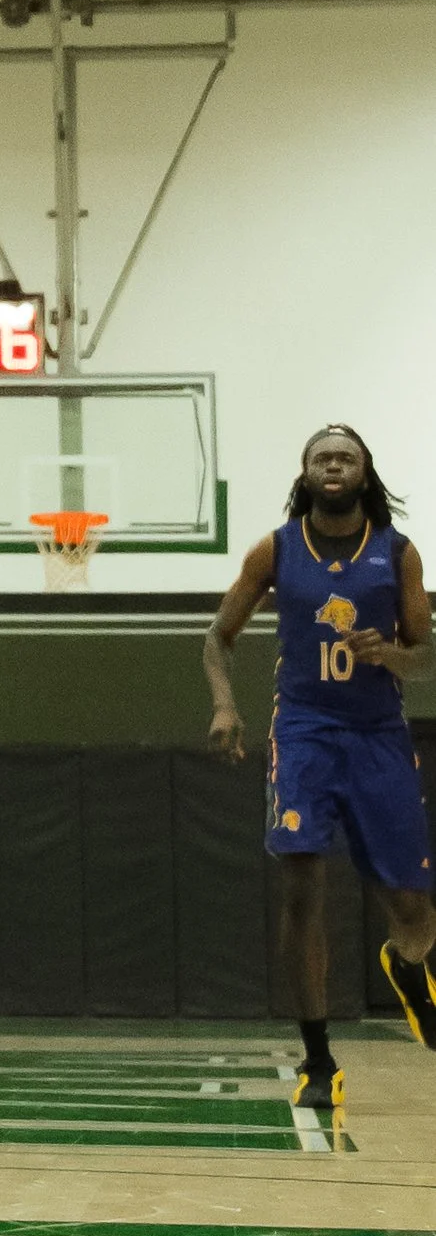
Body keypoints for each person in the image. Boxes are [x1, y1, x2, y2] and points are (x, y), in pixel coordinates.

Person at [204, 423, 435, 1112]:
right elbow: (219, 637)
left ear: (364, 474)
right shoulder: (274, 551)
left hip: (378, 736)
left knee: (414, 912)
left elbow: (424, 654)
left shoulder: (398, 554)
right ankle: (318, 1058)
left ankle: (407, 965)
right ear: (305, 475)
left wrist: (387, 656)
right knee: (303, 887)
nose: (333, 466)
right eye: (321, 458)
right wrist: (224, 706)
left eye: (346, 457)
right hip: (303, 734)